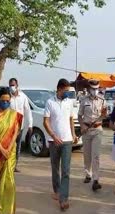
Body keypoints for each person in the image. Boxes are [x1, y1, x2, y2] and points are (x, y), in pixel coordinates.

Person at [43, 79, 77, 211]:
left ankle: (64, 199)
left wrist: (73, 134)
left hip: (67, 141)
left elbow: (71, 119)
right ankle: (57, 191)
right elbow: (46, 122)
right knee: (55, 168)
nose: (68, 93)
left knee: (66, 170)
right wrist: (53, 136)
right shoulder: (50, 102)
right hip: (54, 141)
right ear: (59, 89)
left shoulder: (69, 102)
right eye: (66, 91)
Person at [78, 79, 107, 191]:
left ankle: (96, 179)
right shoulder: (83, 100)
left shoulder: (102, 100)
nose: (95, 91)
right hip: (86, 129)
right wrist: (82, 126)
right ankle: (88, 174)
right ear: (89, 89)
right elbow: (80, 115)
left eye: (96, 89)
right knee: (87, 154)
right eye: (93, 89)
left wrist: (104, 115)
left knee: (96, 155)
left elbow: (104, 116)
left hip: (97, 129)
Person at [8, 78, 33, 173]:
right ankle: (7, 165)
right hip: (9, 126)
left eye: (13, 85)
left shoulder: (23, 97)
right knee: (9, 146)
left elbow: (28, 111)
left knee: (17, 147)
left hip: (19, 126)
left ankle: (14, 165)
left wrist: (30, 125)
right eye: (10, 85)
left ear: (17, 85)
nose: (12, 87)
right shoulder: (7, 96)